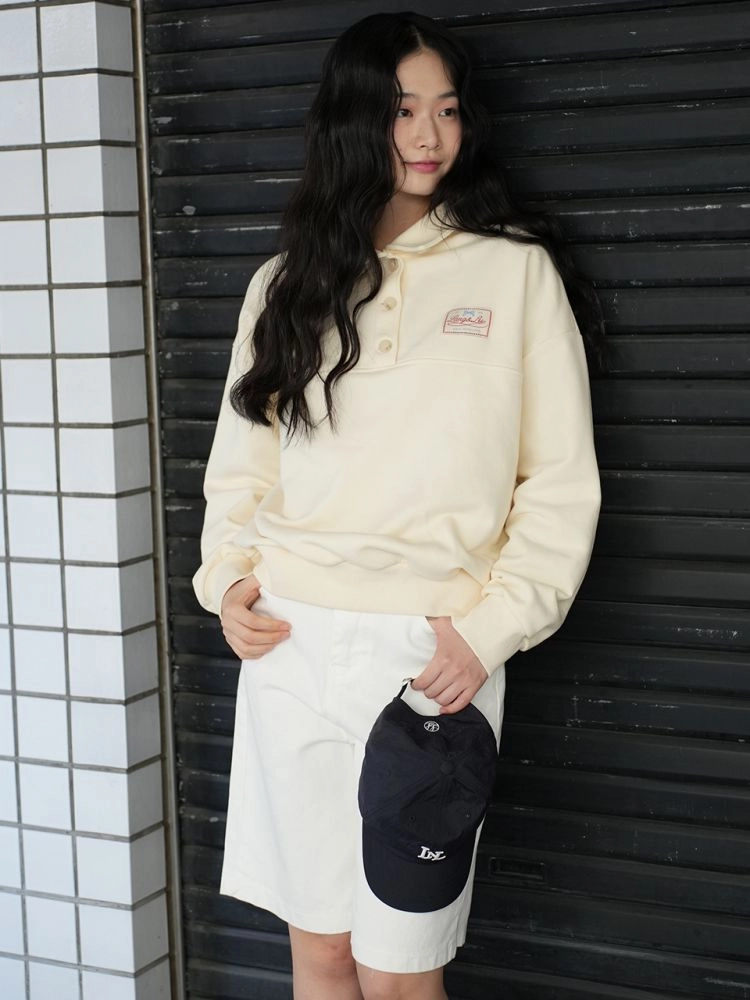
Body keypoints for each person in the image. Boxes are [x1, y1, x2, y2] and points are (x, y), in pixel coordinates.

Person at [192, 10, 603, 1000]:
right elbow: (243, 467)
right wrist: (227, 584)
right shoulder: (286, 284)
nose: (428, 136)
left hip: (431, 661)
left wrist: (492, 629)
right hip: (290, 645)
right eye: (402, 110)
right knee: (321, 958)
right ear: (353, 120)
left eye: (446, 111)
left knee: (400, 974)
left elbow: (559, 481)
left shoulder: (513, 272)